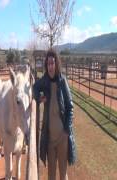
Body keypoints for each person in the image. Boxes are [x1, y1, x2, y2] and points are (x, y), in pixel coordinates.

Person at [33, 49, 76, 180]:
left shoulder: (63, 81)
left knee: (63, 174)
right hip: (50, 139)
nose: (51, 66)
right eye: (48, 64)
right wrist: (39, 97)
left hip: (62, 138)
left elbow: (70, 107)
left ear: (56, 64)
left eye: (53, 63)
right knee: (51, 174)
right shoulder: (44, 81)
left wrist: (67, 131)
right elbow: (35, 87)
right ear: (46, 65)